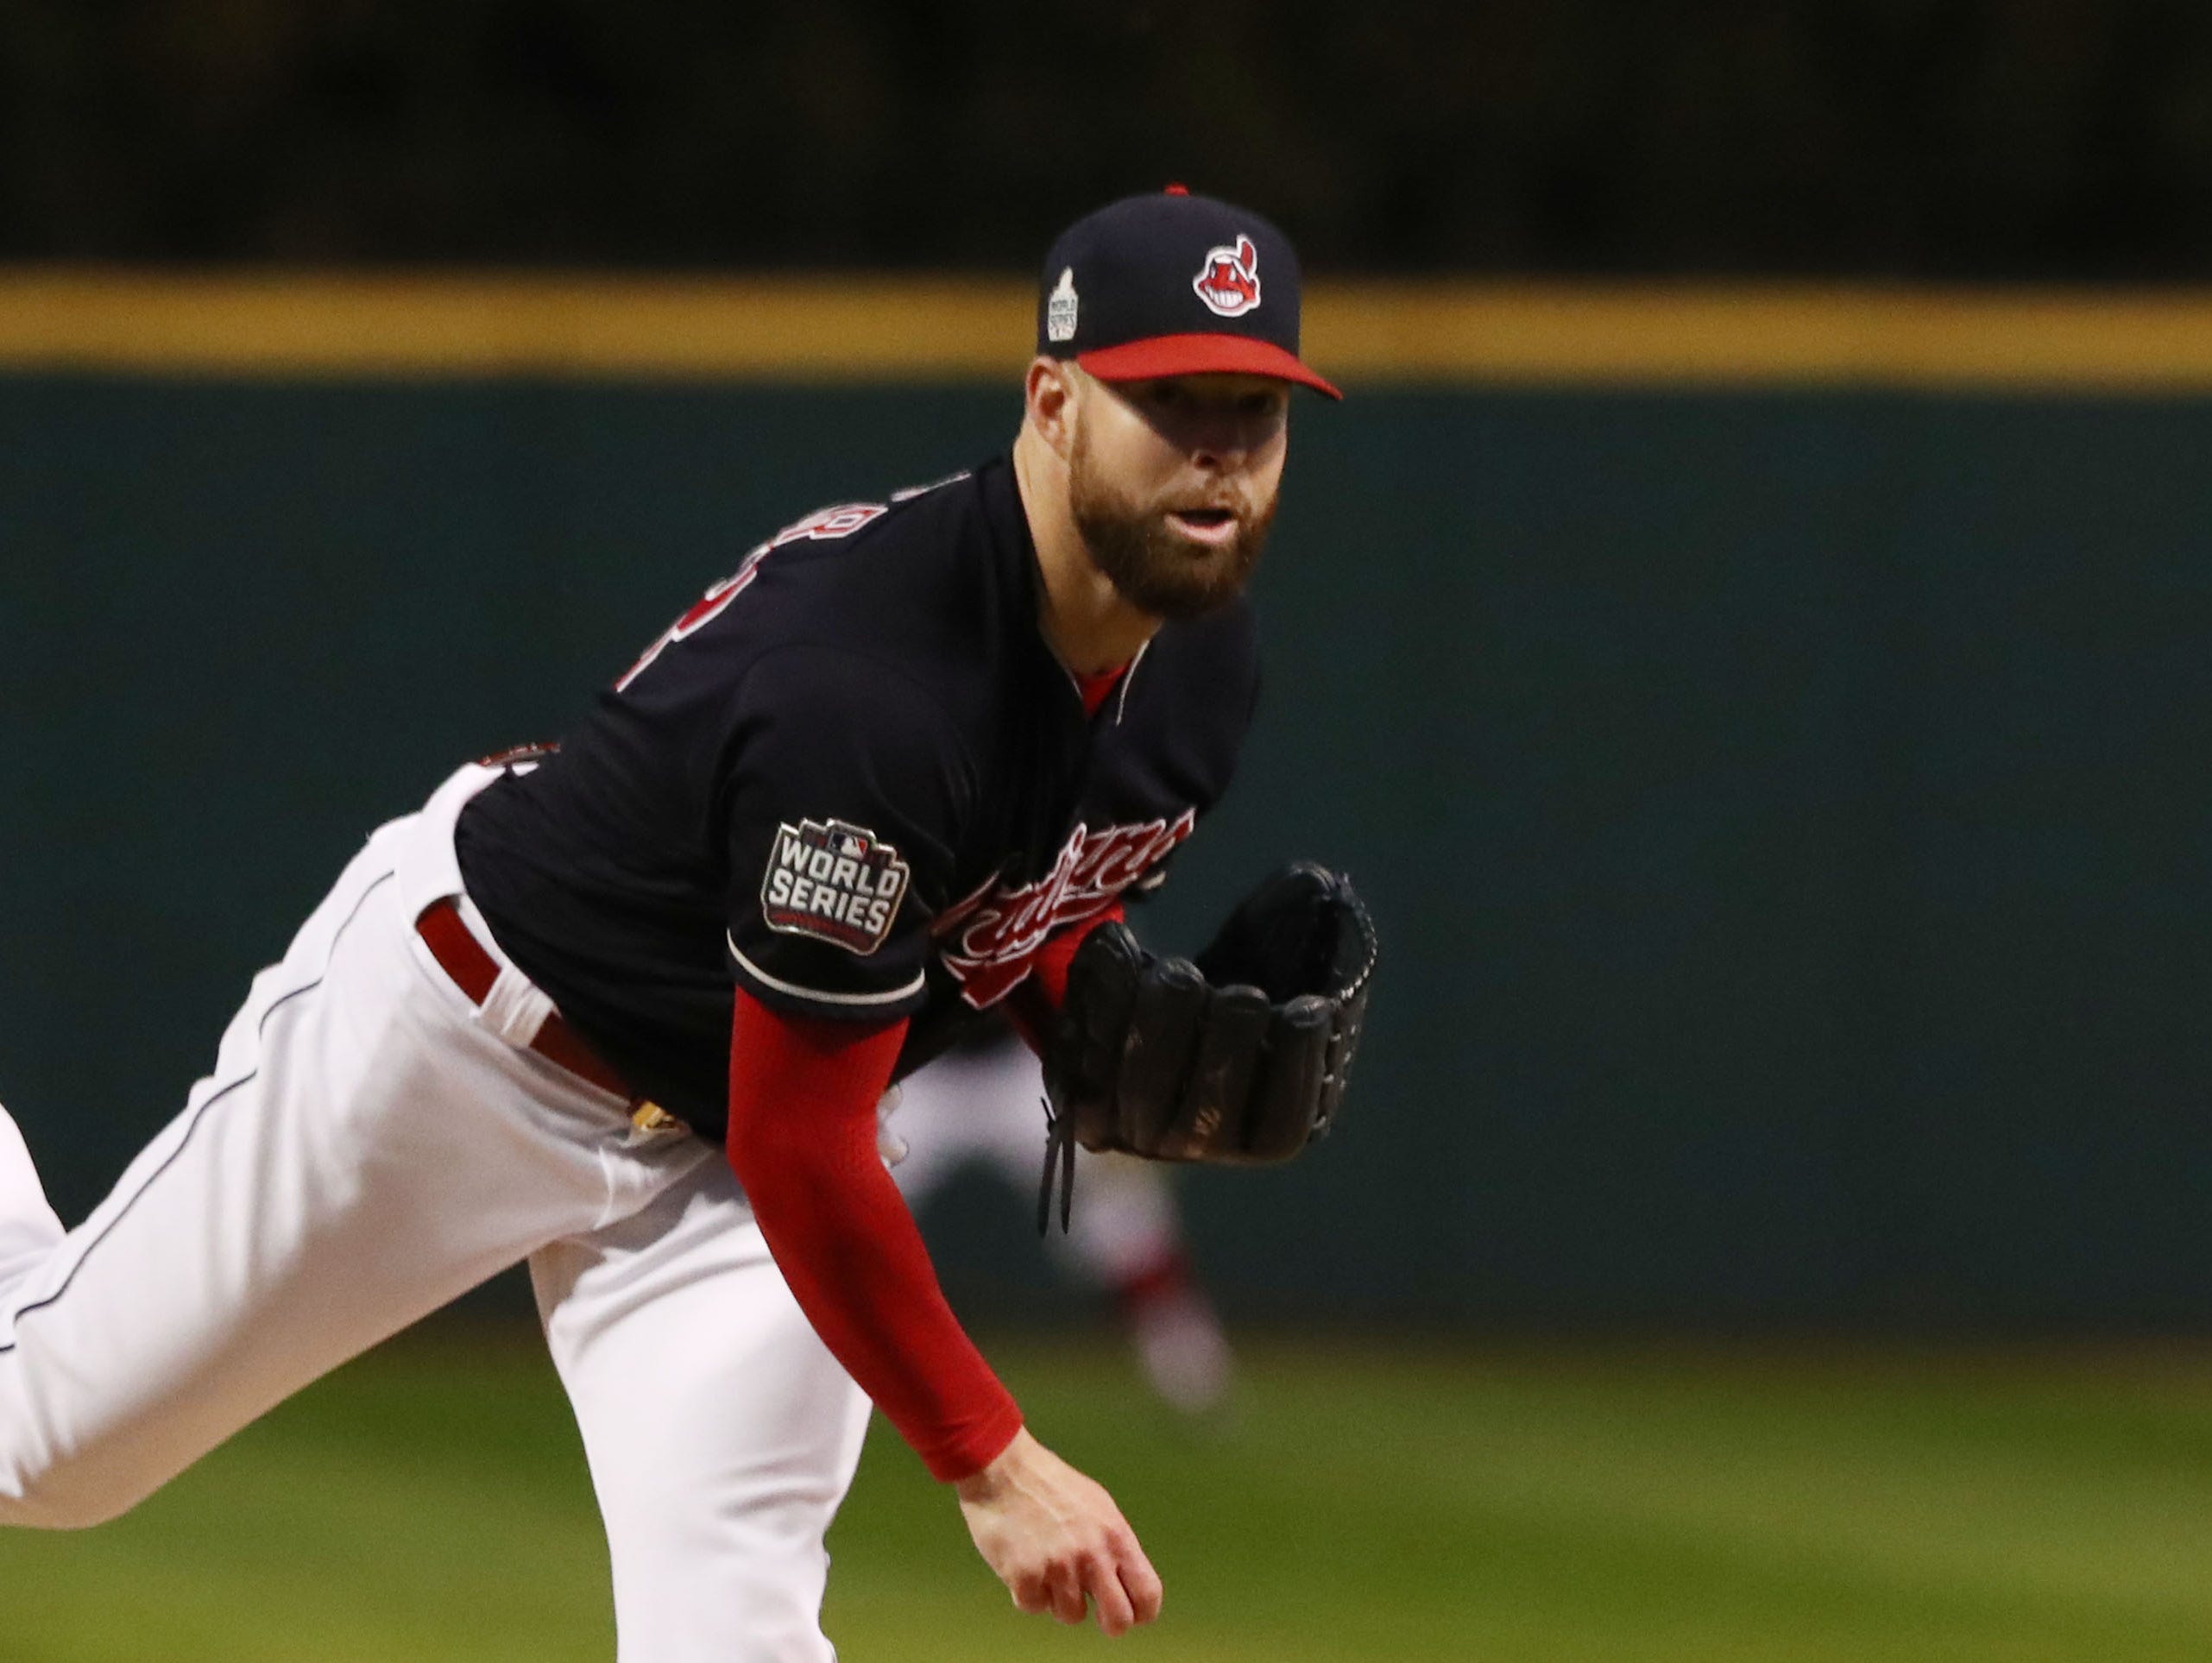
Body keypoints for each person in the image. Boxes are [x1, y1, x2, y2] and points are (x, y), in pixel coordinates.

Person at [0, 186, 1340, 1658]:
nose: (1216, 456)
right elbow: (803, 1135)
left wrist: (1077, 1005)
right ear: (1051, 401)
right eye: (1170, 402)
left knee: (731, 1635)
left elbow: (994, 915)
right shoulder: (872, 688)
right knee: (44, 1453)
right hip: (473, 1039)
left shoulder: (1201, 658)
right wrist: (991, 1458)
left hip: (716, 1157)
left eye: (1252, 411)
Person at [889, 1028, 1235, 1417]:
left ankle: (1191, 1372)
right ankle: (823, 1385)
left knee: (1120, 1216)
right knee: (843, 1224)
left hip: (1019, 1062)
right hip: (911, 1070)